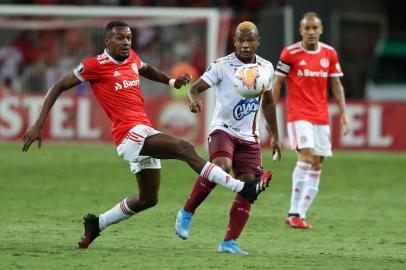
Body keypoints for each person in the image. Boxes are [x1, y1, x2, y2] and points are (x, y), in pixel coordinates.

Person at [21, 21, 274, 249]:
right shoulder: (93, 65)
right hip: (128, 133)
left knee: (148, 198)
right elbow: (58, 86)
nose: (126, 42)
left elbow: (146, 68)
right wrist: (38, 123)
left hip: (143, 131)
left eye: (129, 38)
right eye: (120, 38)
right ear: (107, 41)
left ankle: (97, 224)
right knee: (185, 148)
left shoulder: (131, 57)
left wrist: (171, 82)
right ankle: (242, 187)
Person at [174, 21, 281, 254]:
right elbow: (194, 88)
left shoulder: (266, 68)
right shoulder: (221, 66)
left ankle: (229, 242)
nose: (245, 44)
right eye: (240, 40)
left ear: (258, 41)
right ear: (234, 42)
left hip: (249, 136)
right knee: (221, 166)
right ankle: (187, 211)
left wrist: (275, 135)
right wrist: (193, 100)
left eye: (250, 39)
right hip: (222, 129)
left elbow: (269, 102)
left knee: (249, 185)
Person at [272, 12, 350, 229]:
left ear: (321, 30)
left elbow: (336, 85)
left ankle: (300, 215)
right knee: (306, 157)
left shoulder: (329, 53)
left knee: (317, 164)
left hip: (322, 117)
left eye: (315, 28)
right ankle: (293, 211)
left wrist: (343, 112)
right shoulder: (290, 53)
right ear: (301, 31)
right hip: (298, 114)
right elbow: (278, 83)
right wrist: (271, 110)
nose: (311, 32)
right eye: (307, 28)